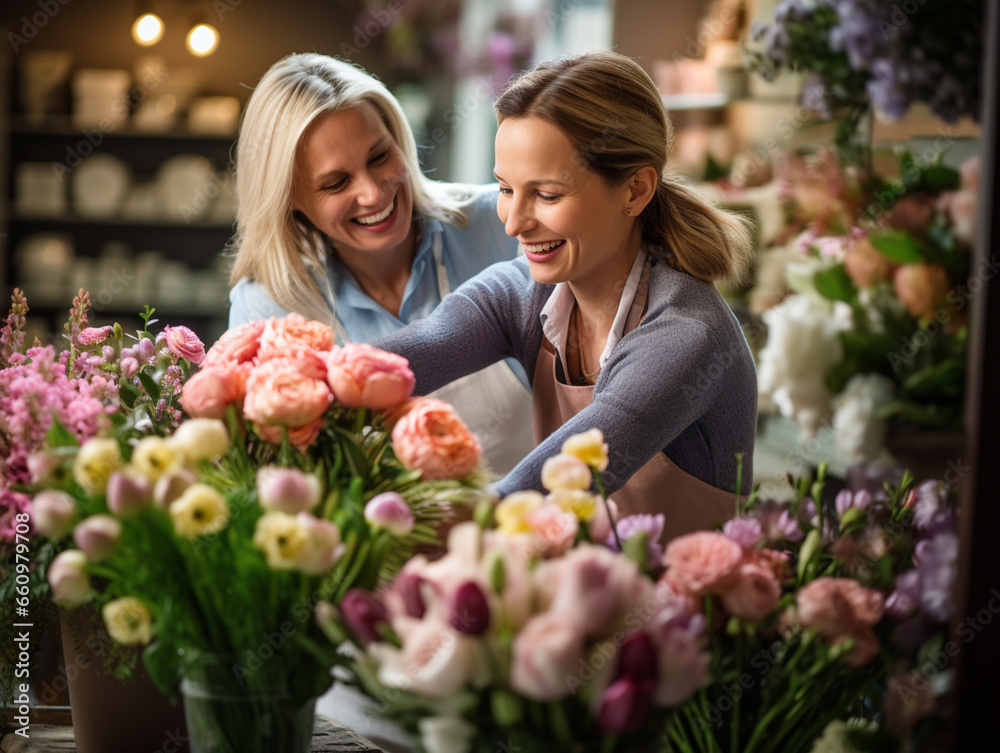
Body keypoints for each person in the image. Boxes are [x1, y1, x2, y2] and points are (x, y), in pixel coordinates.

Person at [374, 50, 758, 541]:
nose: (514, 223)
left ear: (636, 190)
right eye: (506, 189)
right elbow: (393, 365)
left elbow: (540, 488)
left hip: (684, 613)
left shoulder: (686, 334)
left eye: (548, 195)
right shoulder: (526, 293)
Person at [226, 52, 534, 477]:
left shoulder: (501, 223)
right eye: (336, 182)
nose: (372, 194)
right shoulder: (267, 310)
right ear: (289, 200)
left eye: (379, 157)